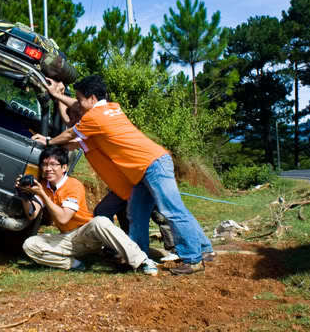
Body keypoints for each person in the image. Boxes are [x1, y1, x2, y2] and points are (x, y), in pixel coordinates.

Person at [33, 75, 214, 275]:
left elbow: (69, 134)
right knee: (136, 214)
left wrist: (48, 141)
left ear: (92, 99)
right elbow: (75, 112)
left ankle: (193, 258)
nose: (78, 104)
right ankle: (139, 256)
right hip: (143, 171)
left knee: (172, 211)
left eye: (80, 99)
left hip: (152, 166)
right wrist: (58, 95)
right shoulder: (111, 108)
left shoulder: (94, 118)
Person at [53, 81, 178, 261]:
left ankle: (174, 248)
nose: (71, 119)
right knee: (108, 212)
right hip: (121, 186)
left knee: (159, 212)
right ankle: (125, 248)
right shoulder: (88, 126)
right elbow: (70, 122)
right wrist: (58, 97)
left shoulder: (93, 125)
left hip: (135, 178)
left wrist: (49, 138)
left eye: (78, 109)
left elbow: (70, 129)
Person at [17, 146, 158, 275]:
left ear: (64, 167)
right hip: (67, 238)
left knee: (100, 221)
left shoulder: (73, 185)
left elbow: (63, 219)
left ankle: (142, 261)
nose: (48, 169)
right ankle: (73, 264)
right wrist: (24, 196)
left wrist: (42, 195)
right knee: (30, 244)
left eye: (53, 164)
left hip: (87, 234)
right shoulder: (44, 187)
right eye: (45, 164)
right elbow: (32, 214)